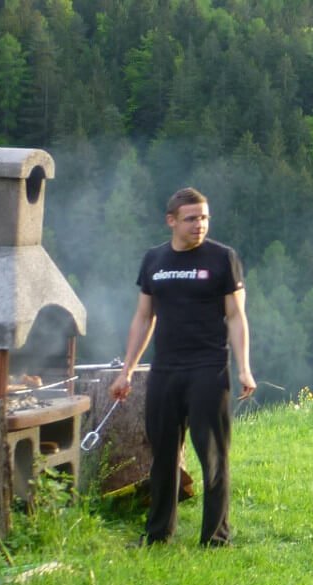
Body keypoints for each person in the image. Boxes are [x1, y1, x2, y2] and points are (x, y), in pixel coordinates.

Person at [109, 188, 255, 548]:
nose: (199, 225)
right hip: (165, 370)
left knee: (213, 455)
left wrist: (244, 368)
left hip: (208, 368)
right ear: (171, 221)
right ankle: (158, 534)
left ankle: (216, 538)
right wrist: (126, 370)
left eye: (204, 217)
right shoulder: (154, 260)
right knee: (162, 454)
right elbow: (144, 319)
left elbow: (236, 317)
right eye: (191, 218)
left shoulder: (223, 259)